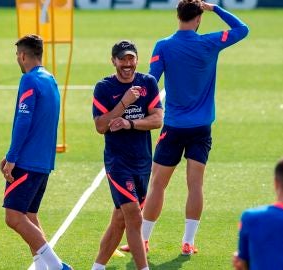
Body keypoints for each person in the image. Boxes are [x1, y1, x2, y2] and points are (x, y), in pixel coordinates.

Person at [120, 0, 249, 255]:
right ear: (199, 18)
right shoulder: (210, 42)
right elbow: (242, 28)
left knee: (157, 184)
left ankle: (143, 240)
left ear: (177, 15)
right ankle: (188, 242)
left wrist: (137, 110)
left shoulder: (164, 46)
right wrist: (215, 8)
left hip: (174, 126)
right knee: (195, 185)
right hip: (202, 127)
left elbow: (151, 82)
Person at [0, 34, 72, 270]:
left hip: (27, 162)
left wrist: (12, 158)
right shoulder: (50, 79)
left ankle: (56, 266)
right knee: (30, 215)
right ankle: (42, 267)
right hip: (42, 161)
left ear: (22, 55)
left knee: (13, 216)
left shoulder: (29, 80)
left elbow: (24, 120)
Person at [91, 40, 163, 270]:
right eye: (122, 59)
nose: (127, 63)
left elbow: (157, 119)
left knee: (120, 220)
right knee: (134, 217)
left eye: (131, 58)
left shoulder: (148, 83)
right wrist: (124, 103)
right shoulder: (103, 88)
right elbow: (101, 126)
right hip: (117, 162)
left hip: (142, 162)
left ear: (137, 60)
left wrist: (129, 123)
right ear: (113, 61)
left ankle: (97, 267)